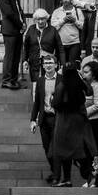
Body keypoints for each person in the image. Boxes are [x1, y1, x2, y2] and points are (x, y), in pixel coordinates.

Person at [49, 61, 97, 187]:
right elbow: (89, 91)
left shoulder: (61, 85)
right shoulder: (80, 84)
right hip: (79, 121)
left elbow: (56, 103)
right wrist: (81, 77)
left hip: (64, 122)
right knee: (78, 150)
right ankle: (88, 175)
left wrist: (51, 99)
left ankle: (67, 178)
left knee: (64, 151)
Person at [29, 54, 61, 184]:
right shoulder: (40, 81)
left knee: (55, 149)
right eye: (46, 63)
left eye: (50, 63)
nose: (48, 65)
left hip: (58, 119)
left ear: (56, 65)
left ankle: (56, 176)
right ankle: (55, 171)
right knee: (47, 148)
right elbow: (37, 102)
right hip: (44, 119)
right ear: (43, 66)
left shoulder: (61, 80)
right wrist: (33, 120)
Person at [0, 0, 26, 90]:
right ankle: (6, 80)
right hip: (10, 31)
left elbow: (19, 11)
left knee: (16, 56)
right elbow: (9, 14)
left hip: (17, 30)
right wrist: (21, 24)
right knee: (10, 56)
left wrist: (24, 23)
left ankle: (13, 79)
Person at [23, 8, 59, 83]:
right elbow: (26, 46)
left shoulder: (53, 30)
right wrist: (25, 60)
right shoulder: (31, 29)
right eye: (38, 19)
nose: (40, 21)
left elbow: (60, 48)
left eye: (42, 19)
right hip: (34, 62)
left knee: (48, 83)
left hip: (48, 63)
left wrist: (61, 63)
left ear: (46, 19)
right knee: (35, 84)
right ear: (35, 20)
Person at [51, 0, 85, 65]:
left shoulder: (77, 11)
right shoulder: (56, 12)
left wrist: (75, 21)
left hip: (75, 43)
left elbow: (83, 26)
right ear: (61, 0)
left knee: (73, 66)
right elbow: (53, 28)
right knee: (62, 66)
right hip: (61, 43)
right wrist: (63, 20)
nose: (65, 0)